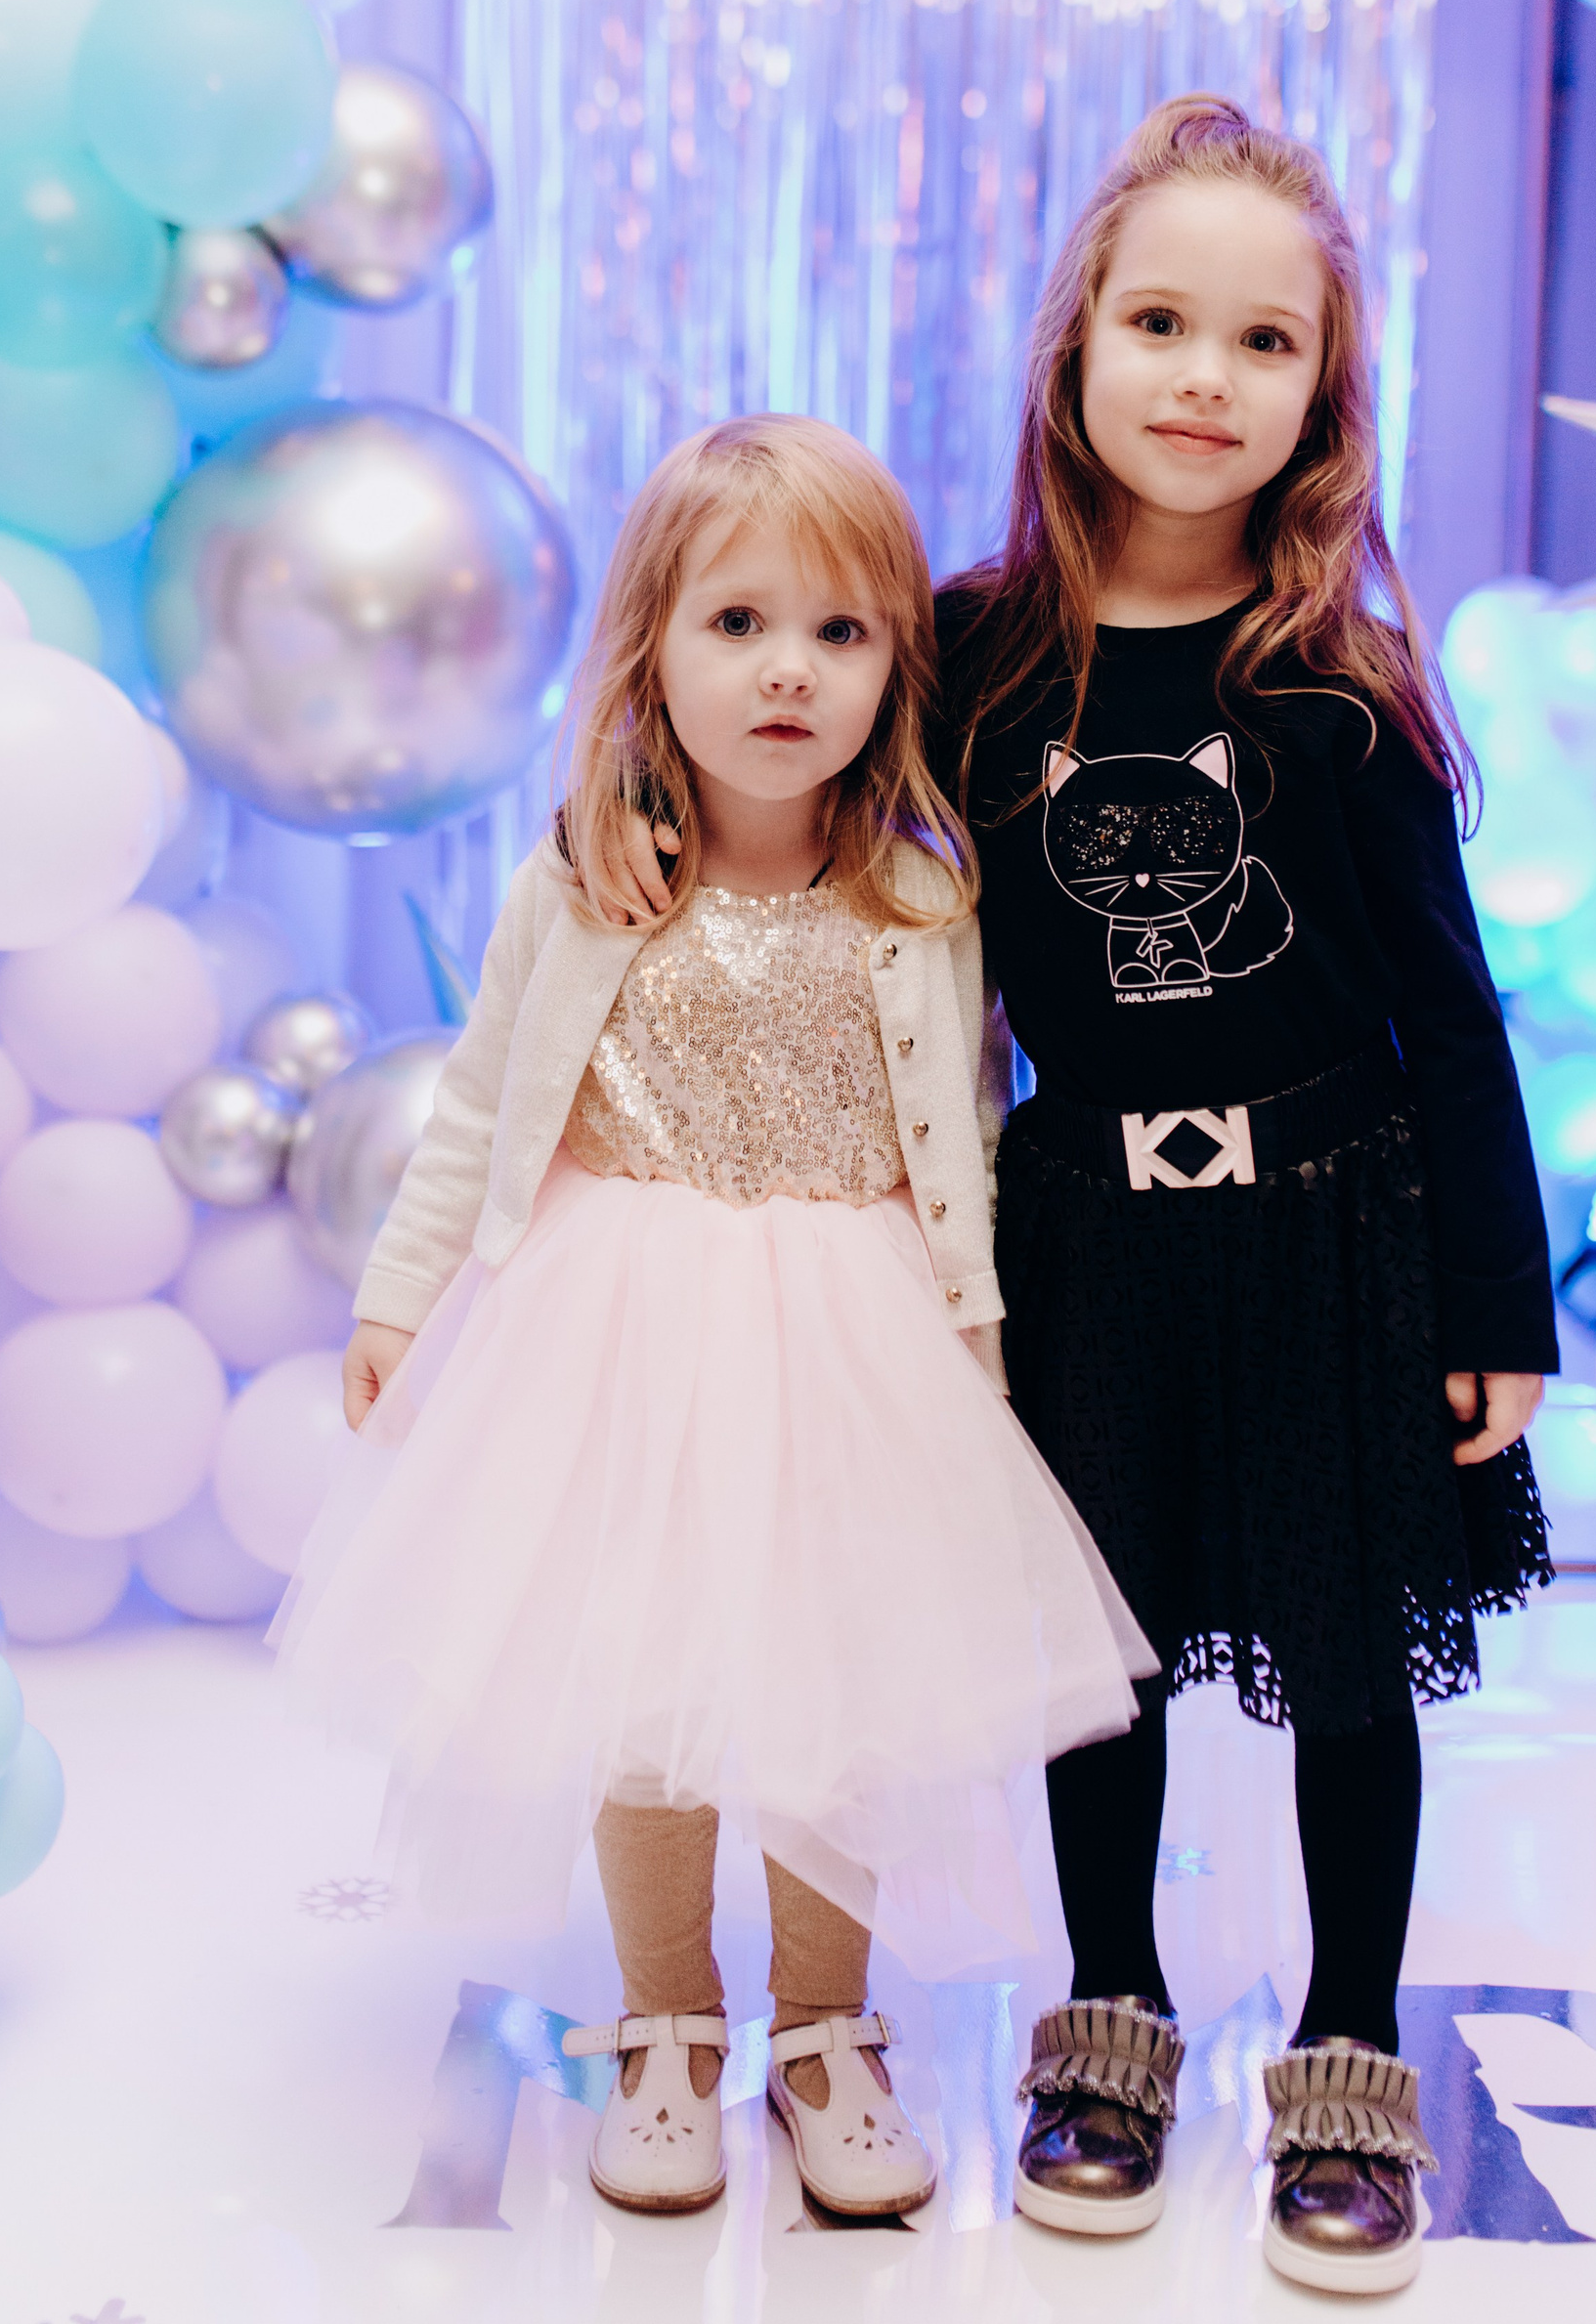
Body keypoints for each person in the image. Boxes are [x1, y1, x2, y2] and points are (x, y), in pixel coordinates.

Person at [604, 98, 1555, 2292]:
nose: (1205, 379)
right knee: (1090, 1665)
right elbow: (796, 787)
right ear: (1075, 348)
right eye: (1160, 324)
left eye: (1265, 342)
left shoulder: (1337, 688)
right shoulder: (972, 652)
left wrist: (1496, 1299)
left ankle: (1345, 2057)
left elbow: (1454, 1008)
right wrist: (645, 830)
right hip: (1079, 1243)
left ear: (1325, 394)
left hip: (1336, 1226)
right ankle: (1105, 2027)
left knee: (1348, 1670)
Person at [273, 414, 1153, 2228]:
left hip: (853, 1341)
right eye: (738, 623)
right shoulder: (587, 879)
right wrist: (400, 1299)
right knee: (641, 1682)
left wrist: (984, 1348)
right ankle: (665, 2023)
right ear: (651, 647)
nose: (787, 672)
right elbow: (480, 1109)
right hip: (620, 1335)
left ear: (895, 665)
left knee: (848, 1686)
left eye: (840, 632)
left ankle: (826, 2034)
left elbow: (968, 1139)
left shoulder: (923, 898)